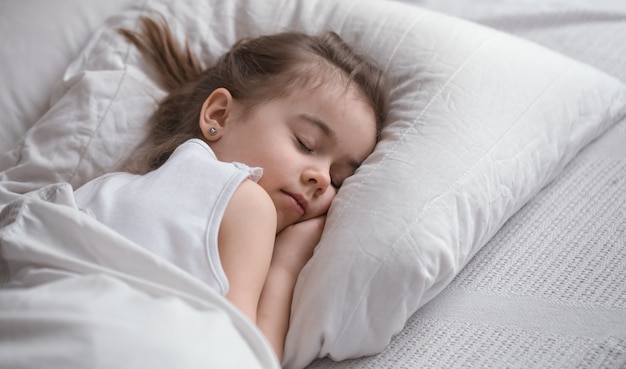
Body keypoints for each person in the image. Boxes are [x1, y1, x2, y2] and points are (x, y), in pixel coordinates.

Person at [74, 15, 389, 361]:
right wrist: (285, 264)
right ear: (220, 115)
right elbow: (243, 357)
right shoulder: (246, 201)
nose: (324, 180)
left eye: (340, 178)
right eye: (306, 143)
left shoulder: (108, 187)